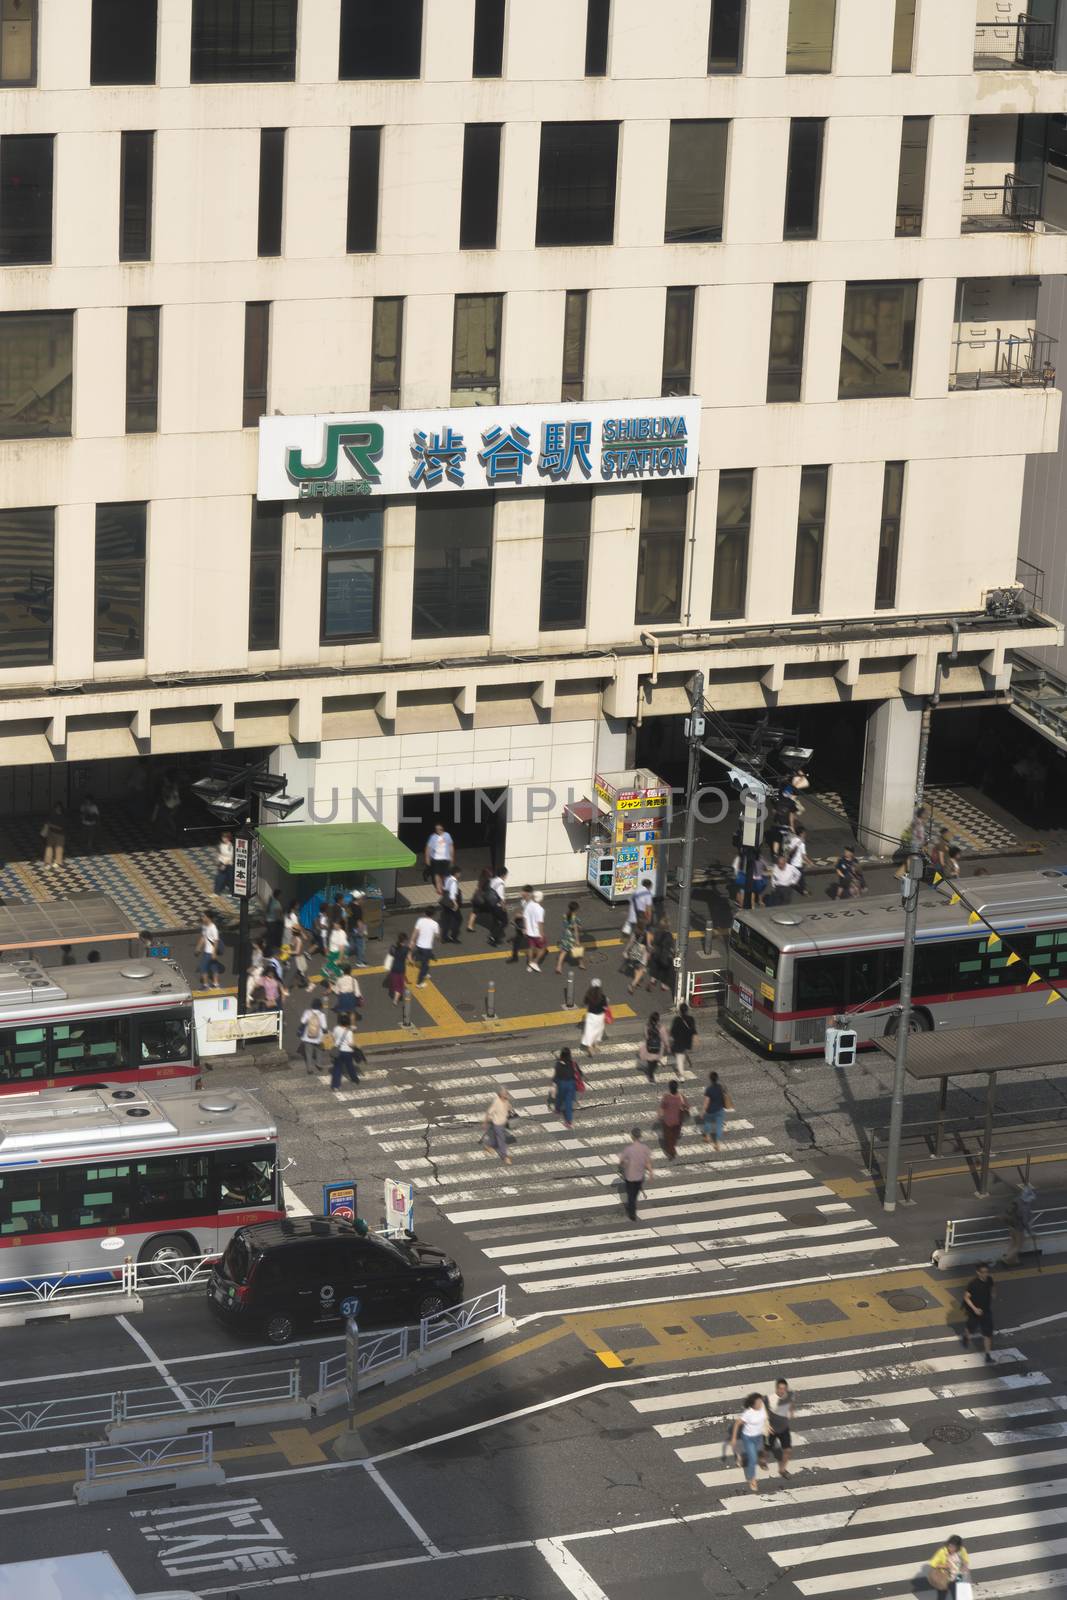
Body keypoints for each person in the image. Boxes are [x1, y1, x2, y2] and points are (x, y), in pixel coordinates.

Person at [730, 1393, 768, 1493]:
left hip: (759, 1436)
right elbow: (737, 1423)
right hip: (749, 1438)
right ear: (753, 1404)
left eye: (761, 1401)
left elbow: (765, 1417)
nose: (761, 1403)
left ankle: (741, 1457)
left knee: (761, 1451)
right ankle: (752, 1479)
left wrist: (768, 1426)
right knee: (753, 1459)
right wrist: (734, 1438)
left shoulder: (762, 1407)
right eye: (758, 1402)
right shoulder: (748, 1413)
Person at [961, 1261, 995, 1363]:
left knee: (988, 1334)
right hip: (974, 1312)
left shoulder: (989, 1279)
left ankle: (987, 1355)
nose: (985, 1274)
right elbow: (966, 1297)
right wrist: (975, 1309)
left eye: (986, 1272)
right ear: (978, 1272)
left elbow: (993, 1287)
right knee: (970, 1329)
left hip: (986, 1311)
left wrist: (993, 1294)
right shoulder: (973, 1284)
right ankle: (966, 1336)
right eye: (983, 1272)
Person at [617, 1127, 654, 1221]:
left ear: (632, 1136)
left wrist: (623, 1165)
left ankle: (632, 1213)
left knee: (630, 1195)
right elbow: (647, 1162)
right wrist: (650, 1172)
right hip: (640, 1176)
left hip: (630, 1176)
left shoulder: (629, 1149)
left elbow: (621, 1161)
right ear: (640, 1136)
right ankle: (633, 1206)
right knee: (635, 1194)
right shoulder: (645, 1148)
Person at [763, 1378, 795, 1479]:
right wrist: (766, 1424)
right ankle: (763, 1460)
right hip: (771, 1430)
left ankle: (782, 1470)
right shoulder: (768, 1399)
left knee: (788, 1450)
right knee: (766, 1450)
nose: (782, 1391)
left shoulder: (789, 1396)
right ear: (776, 1389)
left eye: (784, 1389)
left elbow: (790, 1405)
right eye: (780, 1389)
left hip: (784, 1429)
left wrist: (791, 1412)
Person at [1002, 1182, 1037, 1266]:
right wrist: (1030, 1232)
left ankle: (1013, 1260)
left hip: (1011, 1225)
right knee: (1018, 1245)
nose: (1031, 1200)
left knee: (1013, 1242)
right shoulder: (1025, 1207)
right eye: (1031, 1198)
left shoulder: (1017, 1199)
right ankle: (1007, 1259)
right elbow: (1025, 1222)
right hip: (1019, 1228)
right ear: (1028, 1198)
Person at [659, 1079, 689, 1160]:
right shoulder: (681, 1097)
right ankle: (672, 1148)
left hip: (667, 1121)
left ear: (669, 1088)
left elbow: (662, 1108)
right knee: (674, 1136)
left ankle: (671, 1152)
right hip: (678, 1121)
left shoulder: (666, 1097)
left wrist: (661, 1117)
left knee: (668, 1137)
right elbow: (687, 1107)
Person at [298, 994, 328, 1074]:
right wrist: (326, 1032)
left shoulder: (307, 1012)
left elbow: (302, 1022)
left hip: (307, 1037)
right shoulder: (322, 1015)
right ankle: (319, 1064)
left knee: (308, 1053)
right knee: (319, 1051)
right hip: (318, 1038)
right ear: (320, 1006)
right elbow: (324, 1027)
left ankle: (309, 1069)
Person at [646, 916, 676, 995]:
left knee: (656, 968)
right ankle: (663, 985)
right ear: (668, 926)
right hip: (664, 956)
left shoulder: (657, 933)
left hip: (655, 954)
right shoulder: (669, 935)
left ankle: (652, 980)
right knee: (666, 970)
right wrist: (674, 953)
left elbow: (653, 942)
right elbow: (671, 947)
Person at [482, 1087, 513, 1163]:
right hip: (497, 1124)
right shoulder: (497, 1102)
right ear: (501, 1095)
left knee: (494, 1137)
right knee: (501, 1139)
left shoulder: (506, 1100)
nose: (507, 1094)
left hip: (503, 1123)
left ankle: (488, 1146)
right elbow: (489, 1112)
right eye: (506, 1093)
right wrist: (485, 1122)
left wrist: (510, 1109)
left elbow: (509, 1108)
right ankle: (504, 1156)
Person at [553, 1047, 580, 1129]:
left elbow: (557, 1075)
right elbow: (579, 1073)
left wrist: (555, 1082)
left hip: (561, 1083)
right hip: (571, 1084)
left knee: (559, 1097)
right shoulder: (573, 1063)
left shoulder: (558, 1064)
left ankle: (557, 1109)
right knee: (568, 1103)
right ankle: (568, 1122)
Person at [330, 1017, 361, 1089]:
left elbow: (333, 1037)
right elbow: (350, 1044)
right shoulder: (349, 1032)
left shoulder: (336, 1028)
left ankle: (335, 1086)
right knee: (350, 1066)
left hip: (338, 1051)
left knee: (337, 1068)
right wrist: (357, 1046)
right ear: (348, 1024)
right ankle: (355, 1079)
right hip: (347, 1052)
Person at [669, 1003, 697, 1079]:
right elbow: (694, 1031)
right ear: (687, 1010)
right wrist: (694, 1041)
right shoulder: (691, 1019)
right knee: (682, 1054)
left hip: (679, 1041)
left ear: (680, 1011)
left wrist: (672, 1037)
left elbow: (672, 1031)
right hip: (688, 1041)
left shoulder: (677, 1019)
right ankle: (682, 1066)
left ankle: (681, 1075)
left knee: (679, 1056)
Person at [639, 1011, 669, 1082]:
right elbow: (664, 1038)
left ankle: (650, 1073)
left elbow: (646, 1036)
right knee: (654, 1063)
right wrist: (667, 1046)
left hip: (649, 1047)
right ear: (658, 1019)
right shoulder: (661, 1027)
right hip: (658, 1048)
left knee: (650, 1062)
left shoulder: (647, 1026)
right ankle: (651, 1074)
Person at [196, 910, 222, 990]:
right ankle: (216, 984)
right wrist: (198, 947)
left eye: (204, 916)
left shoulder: (213, 928)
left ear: (208, 918)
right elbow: (203, 937)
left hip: (210, 952)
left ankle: (205, 985)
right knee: (213, 968)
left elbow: (216, 941)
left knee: (203, 968)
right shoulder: (205, 926)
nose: (202, 918)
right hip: (206, 951)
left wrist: (214, 953)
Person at [424, 823, 455, 892]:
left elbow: (451, 846)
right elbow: (428, 848)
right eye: (436, 829)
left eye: (440, 829)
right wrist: (427, 858)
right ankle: (438, 888)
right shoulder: (433, 837)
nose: (438, 830)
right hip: (436, 859)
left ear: (443, 829)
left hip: (446, 858)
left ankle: (444, 885)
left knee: (445, 874)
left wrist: (452, 857)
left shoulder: (447, 835)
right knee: (437, 874)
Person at [556, 901, 584, 975]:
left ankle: (558, 967)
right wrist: (577, 940)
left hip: (565, 936)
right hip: (571, 937)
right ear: (576, 909)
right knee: (578, 950)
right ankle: (581, 964)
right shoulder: (575, 919)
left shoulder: (565, 915)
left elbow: (566, 925)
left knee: (563, 952)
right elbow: (576, 931)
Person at [581, 979, 609, 1052]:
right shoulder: (602, 997)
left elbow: (585, 1003)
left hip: (591, 1016)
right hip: (600, 1016)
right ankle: (596, 1045)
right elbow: (605, 1007)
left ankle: (590, 1046)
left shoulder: (588, 995)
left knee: (589, 1031)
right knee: (598, 1031)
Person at [412, 911, 439, 987]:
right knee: (424, 965)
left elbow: (415, 932)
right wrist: (438, 938)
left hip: (419, 945)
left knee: (423, 961)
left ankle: (425, 973)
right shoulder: (435, 924)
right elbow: (437, 936)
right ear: (433, 914)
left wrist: (412, 941)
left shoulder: (420, 920)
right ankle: (419, 983)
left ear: (425, 913)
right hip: (426, 948)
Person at [702, 1071, 728, 1149]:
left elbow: (706, 1101)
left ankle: (707, 1137)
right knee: (719, 1127)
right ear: (717, 1079)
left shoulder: (709, 1089)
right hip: (720, 1110)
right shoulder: (721, 1087)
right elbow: (725, 1094)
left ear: (710, 1079)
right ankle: (717, 1143)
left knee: (707, 1123)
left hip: (710, 1110)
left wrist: (703, 1111)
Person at [523, 889, 546, 973]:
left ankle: (529, 963)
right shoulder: (540, 909)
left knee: (530, 948)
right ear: (541, 899)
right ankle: (535, 962)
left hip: (529, 932)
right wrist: (541, 935)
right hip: (536, 933)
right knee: (543, 949)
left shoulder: (529, 904)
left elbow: (525, 916)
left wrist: (525, 928)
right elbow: (540, 923)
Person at [385, 930, 409, 1005]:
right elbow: (409, 959)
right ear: (404, 940)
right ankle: (395, 999)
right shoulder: (406, 949)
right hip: (401, 969)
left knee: (396, 985)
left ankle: (395, 997)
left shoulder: (393, 948)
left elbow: (389, 957)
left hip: (394, 969)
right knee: (400, 986)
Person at [439, 870, 462, 944]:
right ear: (456, 873)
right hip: (451, 904)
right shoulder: (454, 882)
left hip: (445, 903)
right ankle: (454, 937)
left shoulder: (448, 879)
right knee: (458, 919)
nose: (460, 874)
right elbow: (452, 895)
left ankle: (444, 937)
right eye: (459, 873)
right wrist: (455, 904)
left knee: (446, 920)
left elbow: (444, 888)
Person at [487, 868, 509, 946]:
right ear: (503, 875)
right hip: (497, 906)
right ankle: (493, 937)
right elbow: (501, 897)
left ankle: (495, 938)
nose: (507, 876)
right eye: (506, 874)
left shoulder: (493, 880)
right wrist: (504, 907)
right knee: (505, 921)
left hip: (491, 904)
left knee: (495, 921)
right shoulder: (500, 883)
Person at [468, 867, 493, 934]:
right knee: (492, 911)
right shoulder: (487, 881)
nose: (491, 874)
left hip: (476, 898)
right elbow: (487, 891)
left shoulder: (481, 879)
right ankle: (492, 927)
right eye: (490, 873)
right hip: (482, 900)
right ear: (487, 874)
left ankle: (469, 926)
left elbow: (478, 889)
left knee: (474, 912)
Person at [41, 804, 66, 869]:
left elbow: (61, 828)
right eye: (56, 808)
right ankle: (47, 862)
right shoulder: (52, 815)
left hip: (60, 834)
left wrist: (51, 825)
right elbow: (47, 821)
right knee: (49, 848)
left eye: (58, 808)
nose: (57, 809)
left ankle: (58, 862)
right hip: (51, 833)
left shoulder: (62, 817)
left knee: (59, 848)